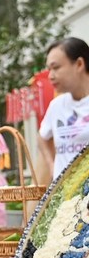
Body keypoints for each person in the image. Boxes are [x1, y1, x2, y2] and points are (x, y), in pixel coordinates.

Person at [39, 37, 89, 180]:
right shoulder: (56, 106)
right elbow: (42, 137)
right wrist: (51, 165)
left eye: (56, 68)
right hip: (65, 198)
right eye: (49, 69)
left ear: (79, 64)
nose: (50, 76)